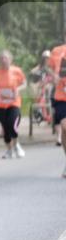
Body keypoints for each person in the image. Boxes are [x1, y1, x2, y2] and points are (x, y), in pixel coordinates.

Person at [0, 50, 28, 159]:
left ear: (10, 60)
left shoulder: (17, 71)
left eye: (5, 58)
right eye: (1, 58)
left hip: (14, 103)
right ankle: (9, 150)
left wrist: (18, 89)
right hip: (1, 104)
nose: (3, 60)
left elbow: (24, 83)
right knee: (5, 128)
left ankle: (17, 145)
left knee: (12, 124)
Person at [49, 38, 66, 176]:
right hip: (62, 95)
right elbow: (51, 70)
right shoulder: (57, 51)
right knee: (64, 128)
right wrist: (54, 77)